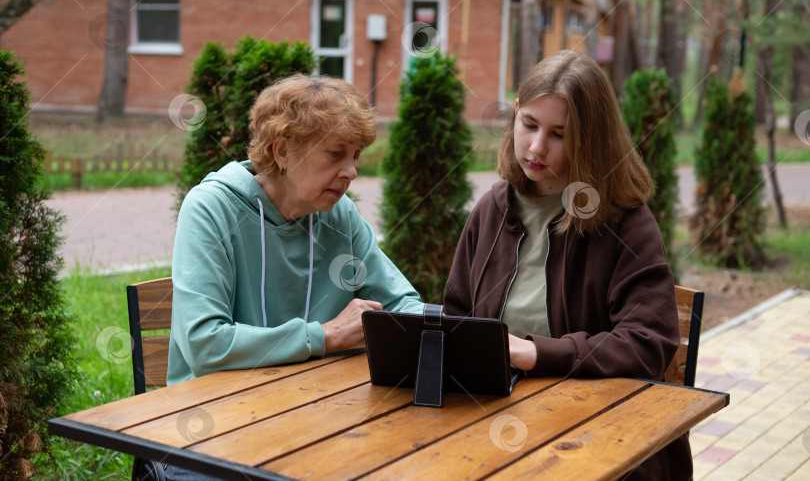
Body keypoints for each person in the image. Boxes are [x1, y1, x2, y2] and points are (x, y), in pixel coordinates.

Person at [443, 50, 688, 479]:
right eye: (530, 125)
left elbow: (648, 342)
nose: (537, 147)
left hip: (600, 438)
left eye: (559, 134)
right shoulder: (492, 209)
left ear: (590, 138)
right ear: (515, 113)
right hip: (497, 429)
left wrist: (540, 353)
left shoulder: (623, 220)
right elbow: (457, 315)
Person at [168, 74, 424, 387]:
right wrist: (324, 336)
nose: (352, 172)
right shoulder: (212, 208)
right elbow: (205, 345)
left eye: (354, 155)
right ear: (282, 151)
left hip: (311, 400)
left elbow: (400, 304)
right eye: (335, 153)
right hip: (216, 411)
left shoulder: (340, 215)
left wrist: (460, 336)